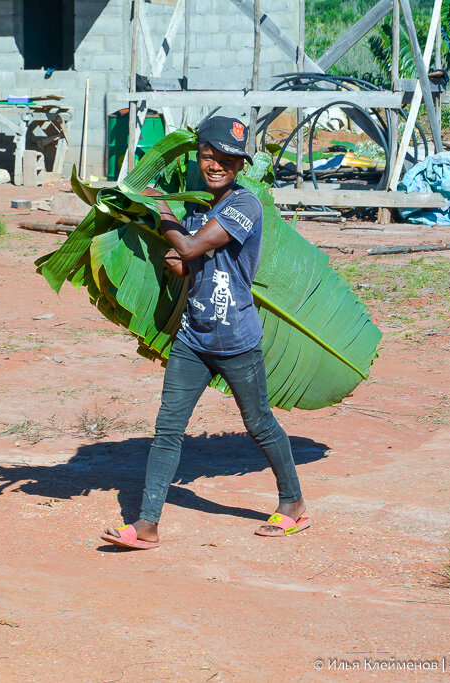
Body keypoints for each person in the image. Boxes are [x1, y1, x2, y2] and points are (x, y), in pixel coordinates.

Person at [101, 116, 307, 550]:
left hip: (237, 340)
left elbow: (191, 248)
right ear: (200, 156)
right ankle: (146, 525)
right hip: (193, 339)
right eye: (210, 156)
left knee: (260, 424)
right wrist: (180, 255)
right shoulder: (195, 207)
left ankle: (293, 503)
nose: (218, 165)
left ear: (239, 166)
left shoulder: (243, 205)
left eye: (229, 159)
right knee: (167, 430)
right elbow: (185, 261)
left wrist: (161, 210)